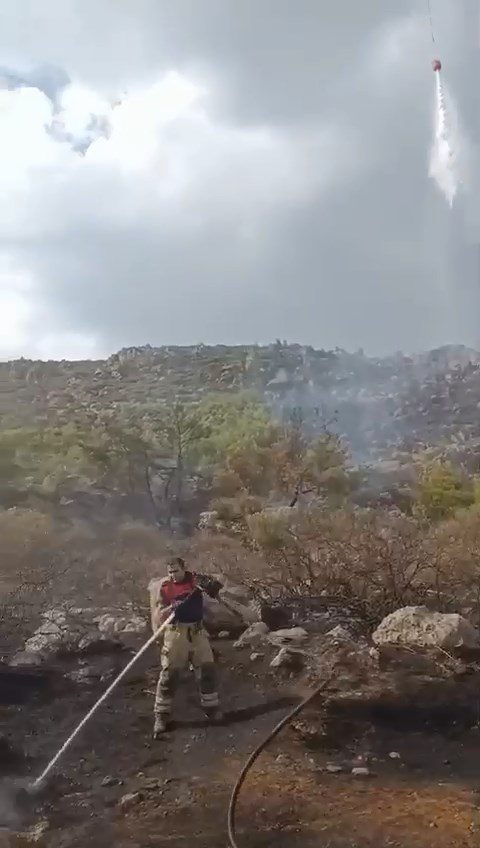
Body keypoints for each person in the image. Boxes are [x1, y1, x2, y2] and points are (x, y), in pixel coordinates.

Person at [152, 557, 222, 738]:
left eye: (176, 571)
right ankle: (161, 716)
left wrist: (212, 585)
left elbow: (215, 588)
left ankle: (211, 708)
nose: (173, 575)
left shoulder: (195, 580)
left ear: (184, 569)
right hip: (176, 633)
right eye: (170, 572)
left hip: (197, 631)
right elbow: (160, 614)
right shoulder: (165, 587)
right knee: (170, 675)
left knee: (207, 669)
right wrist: (173, 606)